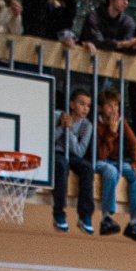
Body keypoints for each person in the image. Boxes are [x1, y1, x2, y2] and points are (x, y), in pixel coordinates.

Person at [93, 86, 136, 242]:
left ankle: (134, 223)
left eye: (116, 105)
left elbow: (135, 144)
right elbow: (101, 154)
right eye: (109, 106)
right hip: (98, 161)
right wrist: (111, 132)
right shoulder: (95, 124)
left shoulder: (120, 122)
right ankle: (106, 217)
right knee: (111, 172)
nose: (114, 110)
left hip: (116, 161)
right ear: (100, 108)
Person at [52, 87, 97, 233]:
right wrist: (61, 127)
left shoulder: (87, 125)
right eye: (82, 104)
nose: (85, 109)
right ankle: (59, 212)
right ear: (72, 104)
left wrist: (69, 131)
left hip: (73, 155)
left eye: (88, 105)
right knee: (61, 165)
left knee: (87, 168)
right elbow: (48, 140)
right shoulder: (58, 115)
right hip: (57, 153)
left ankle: (85, 216)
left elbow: (79, 151)